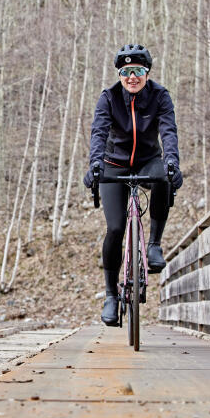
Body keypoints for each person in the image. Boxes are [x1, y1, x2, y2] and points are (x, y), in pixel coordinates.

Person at [83, 44, 183, 326]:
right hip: (113, 163)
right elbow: (99, 132)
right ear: (120, 75)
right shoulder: (109, 97)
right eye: (126, 72)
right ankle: (111, 295)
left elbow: (168, 130)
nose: (132, 77)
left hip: (148, 160)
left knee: (164, 174)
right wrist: (95, 164)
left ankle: (154, 245)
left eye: (138, 71)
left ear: (147, 74)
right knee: (115, 228)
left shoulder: (160, 96)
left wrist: (172, 161)